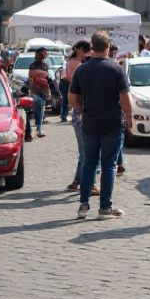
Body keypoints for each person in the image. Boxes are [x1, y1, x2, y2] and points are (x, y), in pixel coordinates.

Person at [70, 30, 132, 220]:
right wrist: (129, 118)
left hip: (89, 122)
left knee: (89, 164)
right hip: (112, 123)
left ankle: (83, 205)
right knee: (109, 166)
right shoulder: (115, 69)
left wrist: (82, 109)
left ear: (92, 47)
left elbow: (72, 98)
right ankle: (105, 207)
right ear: (107, 46)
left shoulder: (81, 69)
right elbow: (125, 99)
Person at [64, 41, 97, 196]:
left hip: (79, 117)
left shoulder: (76, 68)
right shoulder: (80, 70)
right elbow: (74, 97)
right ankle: (90, 184)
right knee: (89, 152)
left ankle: (77, 181)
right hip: (86, 118)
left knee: (84, 151)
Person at [26, 47, 52, 138]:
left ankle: (38, 128)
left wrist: (50, 89)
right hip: (35, 90)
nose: (44, 55)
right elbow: (30, 78)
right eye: (42, 53)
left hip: (44, 91)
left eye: (45, 53)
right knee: (39, 108)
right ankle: (38, 129)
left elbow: (47, 78)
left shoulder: (45, 65)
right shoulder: (32, 65)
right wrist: (31, 87)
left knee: (40, 109)